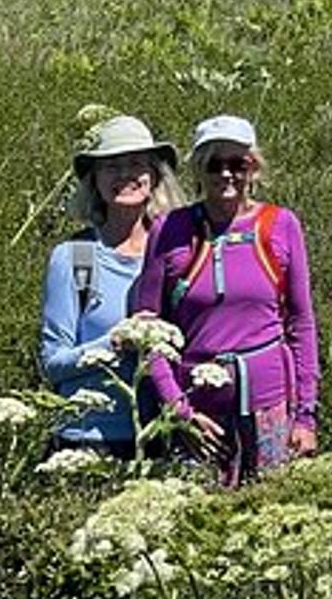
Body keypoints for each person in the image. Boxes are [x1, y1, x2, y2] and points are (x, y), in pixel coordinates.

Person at [132, 115, 320, 484]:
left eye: (238, 163)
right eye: (214, 164)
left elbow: (301, 324)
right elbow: (147, 330)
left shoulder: (281, 226)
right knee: (198, 523)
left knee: (274, 518)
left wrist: (306, 418)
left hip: (272, 411)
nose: (227, 174)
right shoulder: (169, 230)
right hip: (199, 416)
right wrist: (178, 412)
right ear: (198, 170)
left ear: (254, 167)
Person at [38, 115, 185, 459]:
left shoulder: (177, 254)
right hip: (86, 440)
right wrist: (115, 343)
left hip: (160, 437)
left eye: (136, 164)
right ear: (95, 182)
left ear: (154, 177)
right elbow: (52, 363)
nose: (125, 175)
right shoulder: (75, 258)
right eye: (111, 167)